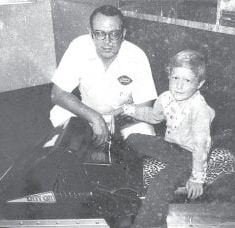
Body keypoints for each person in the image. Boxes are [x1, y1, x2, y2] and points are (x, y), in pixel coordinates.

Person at [122, 50, 215, 228]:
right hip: (171, 146)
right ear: (169, 76)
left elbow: (201, 145)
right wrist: (129, 110)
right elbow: (154, 117)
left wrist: (197, 178)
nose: (179, 86)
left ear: (199, 84)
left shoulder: (199, 108)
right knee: (133, 139)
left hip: (189, 154)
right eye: (175, 78)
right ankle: (127, 188)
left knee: (160, 183)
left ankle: (148, 226)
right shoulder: (166, 97)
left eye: (187, 80)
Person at [50, 5, 158, 147]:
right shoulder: (78, 46)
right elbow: (57, 94)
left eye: (114, 34)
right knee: (59, 114)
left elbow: (144, 105)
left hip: (122, 120)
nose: (107, 41)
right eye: (100, 34)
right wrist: (95, 118)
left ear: (123, 33)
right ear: (91, 33)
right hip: (86, 115)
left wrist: (111, 121)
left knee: (145, 132)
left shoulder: (137, 56)